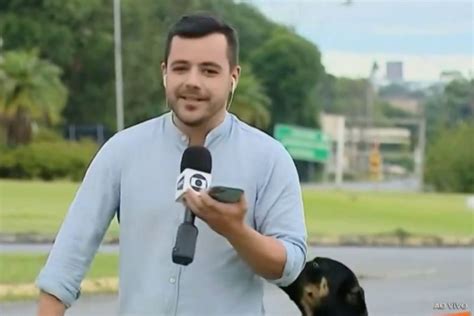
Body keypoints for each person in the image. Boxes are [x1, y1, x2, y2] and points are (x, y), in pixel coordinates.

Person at [36, 13, 307, 316]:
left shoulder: (269, 158)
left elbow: (289, 267)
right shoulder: (122, 151)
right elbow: (67, 260)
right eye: (180, 68)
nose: (192, 82)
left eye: (208, 70)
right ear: (165, 72)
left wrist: (235, 231)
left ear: (233, 77)